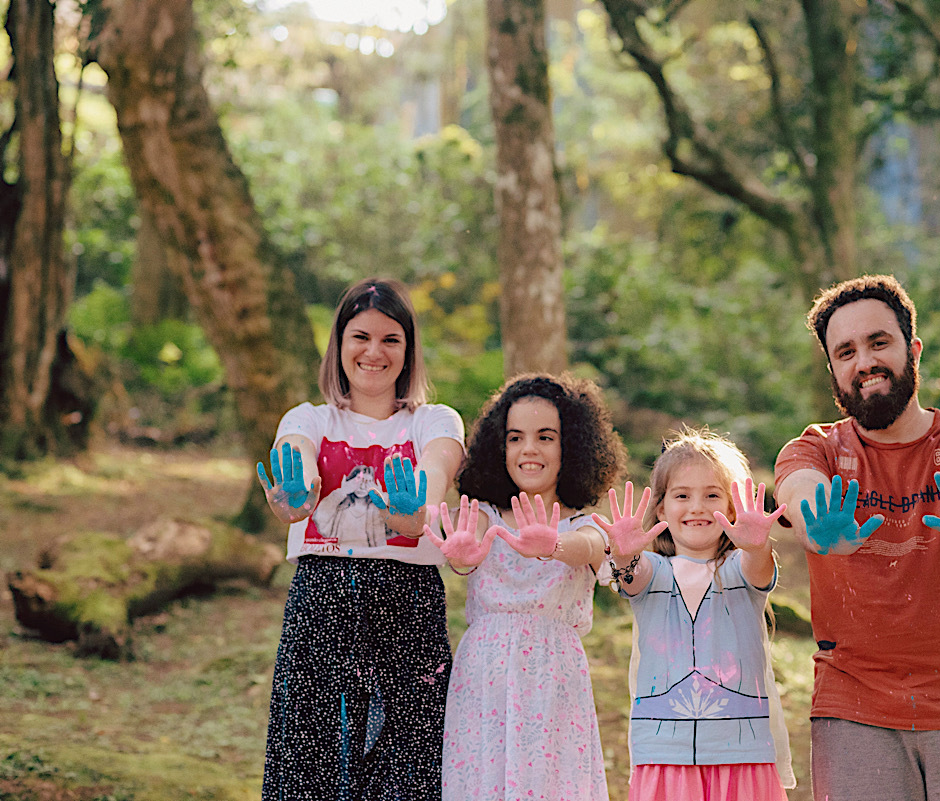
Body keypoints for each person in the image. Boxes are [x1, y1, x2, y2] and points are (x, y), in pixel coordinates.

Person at [773, 274, 940, 801]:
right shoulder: (815, 448)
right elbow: (798, 487)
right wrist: (816, 520)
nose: (863, 361)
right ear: (833, 372)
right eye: (845, 352)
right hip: (853, 708)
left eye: (878, 342)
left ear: (912, 350)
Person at [256, 277, 465, 800]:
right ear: (340, 344)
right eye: (361, 337)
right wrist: (297, 496)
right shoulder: (308, 418)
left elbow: (436, 472)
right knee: (313, 756)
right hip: (322, 601)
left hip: (407, 604)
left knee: (407, 759)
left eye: (390, 339)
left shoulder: (435, 421)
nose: (374, 352)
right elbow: (297, 460)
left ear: (408, 349)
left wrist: (416, 512)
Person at [426, 373, 624, 801]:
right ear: (500, 447)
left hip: (554, 676)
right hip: (485, 674)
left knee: (552, 782)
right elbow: (466, 549)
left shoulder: (584, 524)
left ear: (570, 447)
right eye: (515, 438)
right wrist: (461, 553)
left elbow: (590, 548)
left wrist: (552, 545)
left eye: (545, 437)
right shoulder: (481, 514)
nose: (528, 449)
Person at [591, 427, 796, 801]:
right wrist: (621, 554)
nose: (697, 506)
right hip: (665, 752)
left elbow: (759, 568)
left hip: (742, 750)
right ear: (661, 508)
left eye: (712, 495)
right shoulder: (652, 570)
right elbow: (630, 576)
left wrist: (758, 545)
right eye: (682, 495)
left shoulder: (740, 567)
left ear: (732, 510)